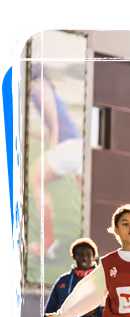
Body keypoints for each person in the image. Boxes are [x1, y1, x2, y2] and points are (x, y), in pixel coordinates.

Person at [27, 62, 85, 260]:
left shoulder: (39, 87)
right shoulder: (46, 87)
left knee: (37, 179)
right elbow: (52, 124)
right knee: (87, 196)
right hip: (77, 146)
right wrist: (33, 134)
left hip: (67, 146)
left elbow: (53, 119)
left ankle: (48, 241)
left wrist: (54, 146)